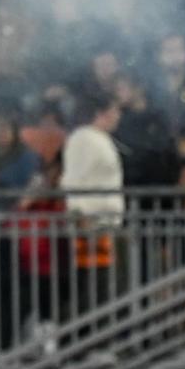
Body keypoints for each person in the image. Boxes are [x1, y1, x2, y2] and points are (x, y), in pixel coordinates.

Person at [60, 91, 125, 311]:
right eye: (115, 111)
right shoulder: (83, 138)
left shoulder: (99, 138)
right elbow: (74, 181)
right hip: (91, 224)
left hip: (104, 224)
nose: (118, 116)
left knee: (103, 286)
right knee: (93, 286)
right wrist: (79, 215)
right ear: (101, 113)